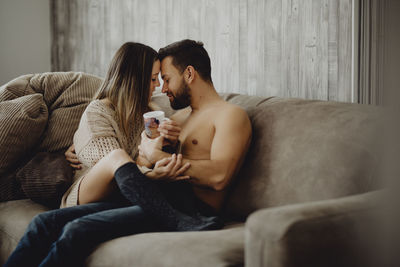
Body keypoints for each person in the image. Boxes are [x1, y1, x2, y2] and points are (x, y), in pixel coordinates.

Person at [4, 42, 219, 267]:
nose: (157, 86)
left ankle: (174, 216)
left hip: (129, 193)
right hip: (90, 191)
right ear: (135, 78)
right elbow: (114, 168)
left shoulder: (151, 112)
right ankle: (173, 218)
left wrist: (167, 144)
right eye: (153, 78)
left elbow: (140, 165)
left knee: (42, 222)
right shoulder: (98, 111)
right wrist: (152, 171)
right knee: (115, 157)